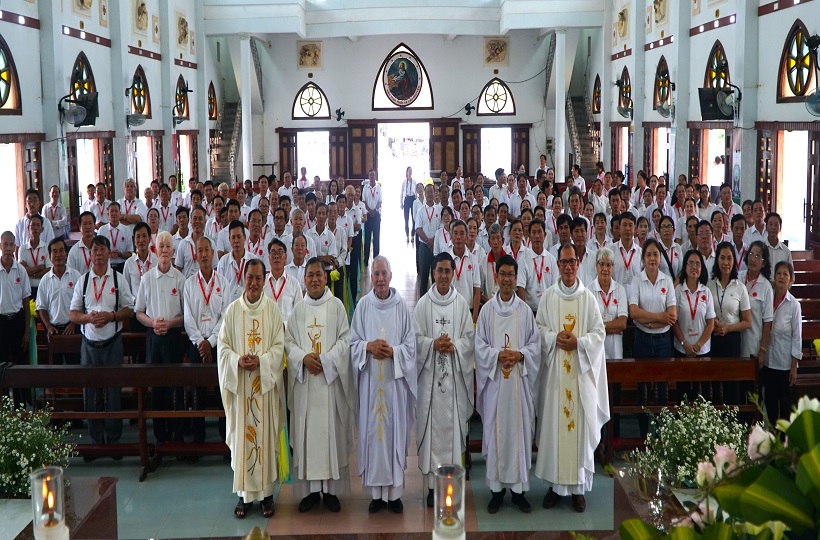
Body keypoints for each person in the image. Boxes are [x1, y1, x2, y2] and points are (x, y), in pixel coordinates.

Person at [535, 243, 608, 513]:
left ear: (579, 264)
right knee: (554, 427)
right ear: (557, 265)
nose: (568, 267)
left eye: (572, 262)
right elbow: (539, 328)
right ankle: (554, 487)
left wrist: (579, 342)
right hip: (556, 376)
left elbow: (599, 334)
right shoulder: (548, 298)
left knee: (578, 431)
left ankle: (578, 489)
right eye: (563, 262)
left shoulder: (588, 298)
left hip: (580, 377)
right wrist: (553, 338)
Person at [284, 258, 354, 513]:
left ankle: (332, 492)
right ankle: (311, 492)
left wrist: (325, 361)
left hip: (329, 382)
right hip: (306, 386)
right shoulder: (298, 310)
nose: (314, 279)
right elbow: (288, 342)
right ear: (304, 280)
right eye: (310, 275)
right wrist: (303, 358)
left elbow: (345, 341)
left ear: (326, 278)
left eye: (318, 275)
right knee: (308, 435)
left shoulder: (336, 307)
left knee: (330, 433)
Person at [217, 259, 285, 519]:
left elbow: (279, 346)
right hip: (242, 389)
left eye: (258, 278)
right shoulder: (233, 311)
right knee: (243, 441)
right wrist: (236, 361)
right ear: (243, 279)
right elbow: (223, 348)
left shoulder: (273, 311)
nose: (254, 283)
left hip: (263, 390)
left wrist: (262, 361)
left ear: (264, 280)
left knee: (264, 439)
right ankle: (244, 497)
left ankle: (267, 495)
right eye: (250, 278)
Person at [350, 256, 416, 514]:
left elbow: (411, 347)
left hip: (394, 385)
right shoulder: (363, 306)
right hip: (370, 385)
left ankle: (395, 494)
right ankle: (376, 495)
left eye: (383, 273)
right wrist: (367, 346)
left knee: (393, 435)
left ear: (391, 276)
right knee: (373, 435)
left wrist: (393, 352)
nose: (379, 278)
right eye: (375, 274)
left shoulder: (401, 307)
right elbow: (352, 343)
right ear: (371, 277)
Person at [475, 254, 540, 514]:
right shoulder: (487, 311)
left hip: (518, 386)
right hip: (495, 386)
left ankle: (519, 492)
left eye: (511, 275)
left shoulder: (524, 311)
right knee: (495, 432)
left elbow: (535, 345)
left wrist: (521, 355)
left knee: (519, 434)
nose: (506, 279)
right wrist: (497, 355)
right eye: (502, 274)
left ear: (516, 278)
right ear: (496, 277)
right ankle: (496, 491)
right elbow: (479, 346)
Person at [414, 252, 475, 507]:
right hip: (431, 385)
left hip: (453, 384)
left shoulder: (461, 304)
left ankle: (451, 485)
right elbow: (415, 340)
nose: (443, 276)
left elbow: (470, 338)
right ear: (433, 273)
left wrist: (455, 346)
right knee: (432, 434)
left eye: (448, 271)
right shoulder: (423, 305)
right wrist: (432, 344)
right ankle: (431, 488)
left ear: (453, 274)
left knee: (451, 434)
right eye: (439, 270)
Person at [69, 236, 134, 445]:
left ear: (109, 252)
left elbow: (129, 310)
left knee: (113, 392)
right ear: (90, 254)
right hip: (89, 345)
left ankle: (114, 438)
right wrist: (88, 318)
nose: (98, 254)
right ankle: (96, 440)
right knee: (91, 393)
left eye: (102, 250)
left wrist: (111, 317)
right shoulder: (83, 281)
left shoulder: (118, 279)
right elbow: (73, 313)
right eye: (94, 250)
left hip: (112, 342)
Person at [135, 231, 186, 444]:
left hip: (173, 336)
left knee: (176, 385)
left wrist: (171, 323)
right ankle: (160, 436)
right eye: (161, 246)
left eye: (168, 246)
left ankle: (177, 433)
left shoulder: (180, 279)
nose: (164, 250)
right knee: (156, 387)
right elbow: (138, 312)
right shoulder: (147, 278)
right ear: (155, 250)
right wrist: (153, 323)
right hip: (154, 338)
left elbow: (186, 315)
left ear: (173, 252)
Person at [183, 235, 230, 446]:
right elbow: (187, 318)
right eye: (199, 251)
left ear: (212, 253)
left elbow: (226, 316)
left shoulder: (223, 282)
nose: (203, 254)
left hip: (218, 345)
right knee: (197, 394)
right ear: (196, 255)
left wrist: (209, 342)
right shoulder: (190, 284)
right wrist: (200, 343)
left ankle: (224, 439)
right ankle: (198, 440)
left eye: (206, 250)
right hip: (196, 346)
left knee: (222, 393)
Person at [628, 238, 677, 437]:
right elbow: (633, 312)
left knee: (662, 389)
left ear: (660, 258)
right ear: (643, 258)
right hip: (642, 339)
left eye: (655, 254)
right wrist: (659, 317)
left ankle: (662, 434)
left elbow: (672, 316)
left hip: (663, 341)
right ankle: (643, 435)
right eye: (648, 255)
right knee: (643, 388)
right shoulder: (637, 280)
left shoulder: (667, 280)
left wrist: (649, 318)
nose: (652, 258)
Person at [763, 262, 801, 426]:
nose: (781, 277)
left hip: (784, 364)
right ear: (774, 277)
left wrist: (794, 366)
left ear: (790, 279)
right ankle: (770, 442)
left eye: (785, 274)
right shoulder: (767, 298)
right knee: (770, 404)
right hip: (768, 361)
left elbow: (797, 337)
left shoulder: (794, 305)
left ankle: (784, 446)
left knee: (784, 409)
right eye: (779, 273)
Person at [36, 238, 81, 366]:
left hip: (73, 329)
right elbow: (41, 308)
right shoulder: (45, 280)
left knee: (75, 369)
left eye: (61, 250)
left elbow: (82, 304)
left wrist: (73, 324)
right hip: (53, 332)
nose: (58, 255)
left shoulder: (76, 276)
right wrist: (49, 327)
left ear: (66, 254)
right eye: (54, 251)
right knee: (55, 371)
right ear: (50, 256)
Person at [0, 231, 32, 406]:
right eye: (5, 244)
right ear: (0, 246)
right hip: (1, 323)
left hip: (17, 322)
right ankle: (4, 407)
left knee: (20, 365)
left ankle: (21, 405)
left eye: (11, 244)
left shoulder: (21, 270)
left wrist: (27, 330)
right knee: (2, 366)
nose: (8, 248)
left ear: (15, 247)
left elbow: (26, 301)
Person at [739, 241, 773, 362]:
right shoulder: (738, 277)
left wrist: (762, 350)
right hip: (734, 340)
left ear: (763, 263)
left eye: (757, 256)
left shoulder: (766, 286)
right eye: (751, 254)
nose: (753, 259)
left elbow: (768, 321)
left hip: (753, 344)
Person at [263, 238, 302, 327]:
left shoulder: (294, 284)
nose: (276, 256)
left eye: (280, 253)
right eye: (273, 253)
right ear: (269, 258)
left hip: (287, 334)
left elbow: (300, 314)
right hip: (266, 332)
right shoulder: (262, 283)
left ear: (285, 257)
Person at [447, 220, 481, 322]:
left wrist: (474, 317)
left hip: (468, 310)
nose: (458, 237)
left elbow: (477, 290)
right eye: (455, 233)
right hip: (449, 309)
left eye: (462, 234)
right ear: (451, 238)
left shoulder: (473, 260)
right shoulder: (446, 259)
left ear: (466, 237)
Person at [415, 183, 442, 298]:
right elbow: (418, 228)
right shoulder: (421, 211)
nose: (430, 194)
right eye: (428, 192)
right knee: (424, 277)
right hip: (424, 247)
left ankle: (436, 300)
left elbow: (441, 227)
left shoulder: (439, 209)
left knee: (436, 276)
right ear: (425, 194)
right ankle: (422, 302)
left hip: (436, 246)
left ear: (435, 193)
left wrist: (433, 240)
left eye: (432, 192)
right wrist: (427, 241)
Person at [18, 214, 51, 296]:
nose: (35, 228)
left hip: (44, 288)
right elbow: (22, 271)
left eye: (38, 225)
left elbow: (49, 270)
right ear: (28, 227)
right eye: (33, 225)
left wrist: (31, 272)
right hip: (27, 290)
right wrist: (40, 268)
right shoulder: (22, 249)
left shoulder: (47, 247)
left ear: (42, 229)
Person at [362, 170, 382, 265]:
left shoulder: (379, 188)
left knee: (376, 237)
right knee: (367, 238)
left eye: (373, 175)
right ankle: (366, 259)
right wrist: (370, 210)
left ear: (376, 176)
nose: (372, 177)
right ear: (368, 177)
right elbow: (364, 201)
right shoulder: (365, 188)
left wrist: (375, 210)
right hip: (368, 215)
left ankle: (376, 258)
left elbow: (380, 201)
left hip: (376, 215)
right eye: (370, 175)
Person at [401, 167, 416, 243]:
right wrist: (401, 203)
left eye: (411, 171)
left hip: (413, 199)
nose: (410, 172)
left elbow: (416, 193)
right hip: (406, 199)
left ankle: (413, 235)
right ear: (406, 172)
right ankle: (407, 235)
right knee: (406, 219)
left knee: (413, 219)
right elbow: (401, 193)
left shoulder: (414, 181)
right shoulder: (404, 182)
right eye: (408, 171)